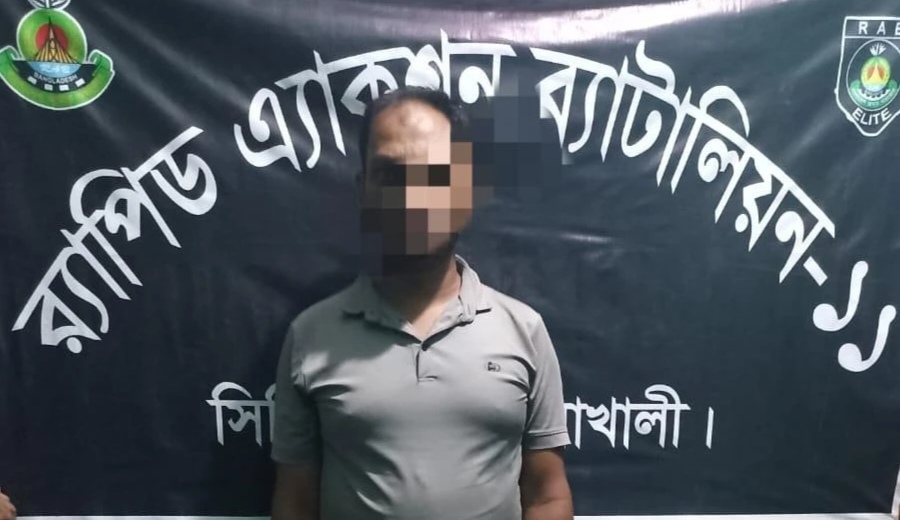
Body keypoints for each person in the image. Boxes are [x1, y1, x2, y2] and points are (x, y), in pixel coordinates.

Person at [271, 86, 573, 520]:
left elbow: (547, 496)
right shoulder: (311, 336)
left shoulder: (524, 331)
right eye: (391, 175)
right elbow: (295, 503)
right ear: (363, 190)